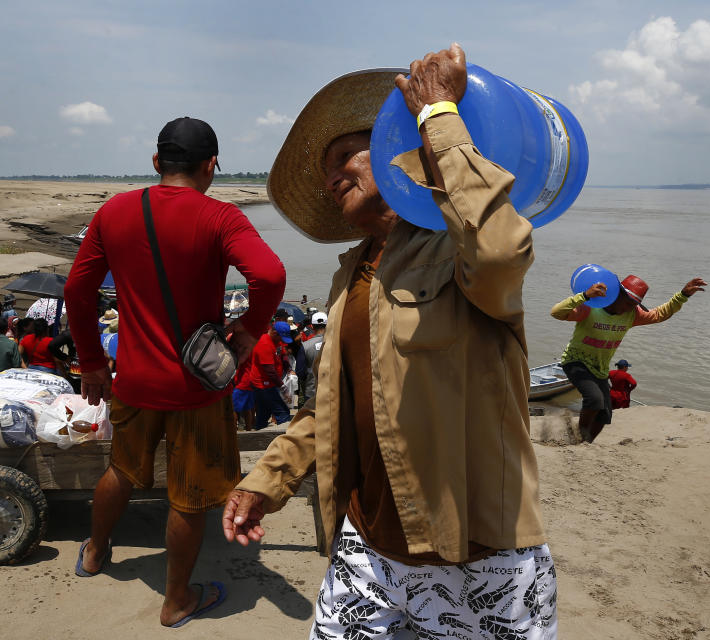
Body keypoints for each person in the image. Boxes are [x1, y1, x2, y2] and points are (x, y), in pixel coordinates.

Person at [223, 45, 556, 639]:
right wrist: (268, 479)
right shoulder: (352, 273)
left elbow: (503, 245)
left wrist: (438, 120)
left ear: (391, 146)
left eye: (343, 156)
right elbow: (338, 404)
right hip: (366, 548)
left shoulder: (459, 253)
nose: (328, 179)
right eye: (326, 171)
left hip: (478, 559)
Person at [63, 115, 285, 628]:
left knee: (121, 468)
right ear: (211, 167)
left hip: (134, 382)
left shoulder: (115, 210)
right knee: (187, 496)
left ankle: (96, 551)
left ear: (158, 162)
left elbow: (77, 290)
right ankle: (177, 600)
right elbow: (270, 274)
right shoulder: (220, 218)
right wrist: (250, 330)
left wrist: (93, 362)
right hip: (196, 388)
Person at [552, 274, 707, 443]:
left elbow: (660, 314)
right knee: (595, 399)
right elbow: (557, 313)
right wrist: (585, 296)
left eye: (633, 305)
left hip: (600, 368)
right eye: (627, 303)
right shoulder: (590, 308)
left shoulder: (632, 314)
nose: (628, 308)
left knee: (604, 414)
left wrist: (682, 295)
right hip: (576, 361)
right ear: (616, 294)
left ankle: (586, 443)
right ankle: (578, 440)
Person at [249, 321, 294, 429]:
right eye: (280, 337)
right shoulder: (264, 343)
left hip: (269, 384)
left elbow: (282, 355)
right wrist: (283, 388)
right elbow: (269, 371)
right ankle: (285, 440)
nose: (281, 341)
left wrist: (288, 368)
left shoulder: (276, 341)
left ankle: (259, 438)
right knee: (283, 413)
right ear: (274, 332)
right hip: (263, 385)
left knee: (264, 413)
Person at [301, 311, 327, 402]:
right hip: (331, 390)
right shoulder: (336, 344)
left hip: (311, 391)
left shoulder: (305, 346)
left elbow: (300, 371)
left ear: (311, 326)